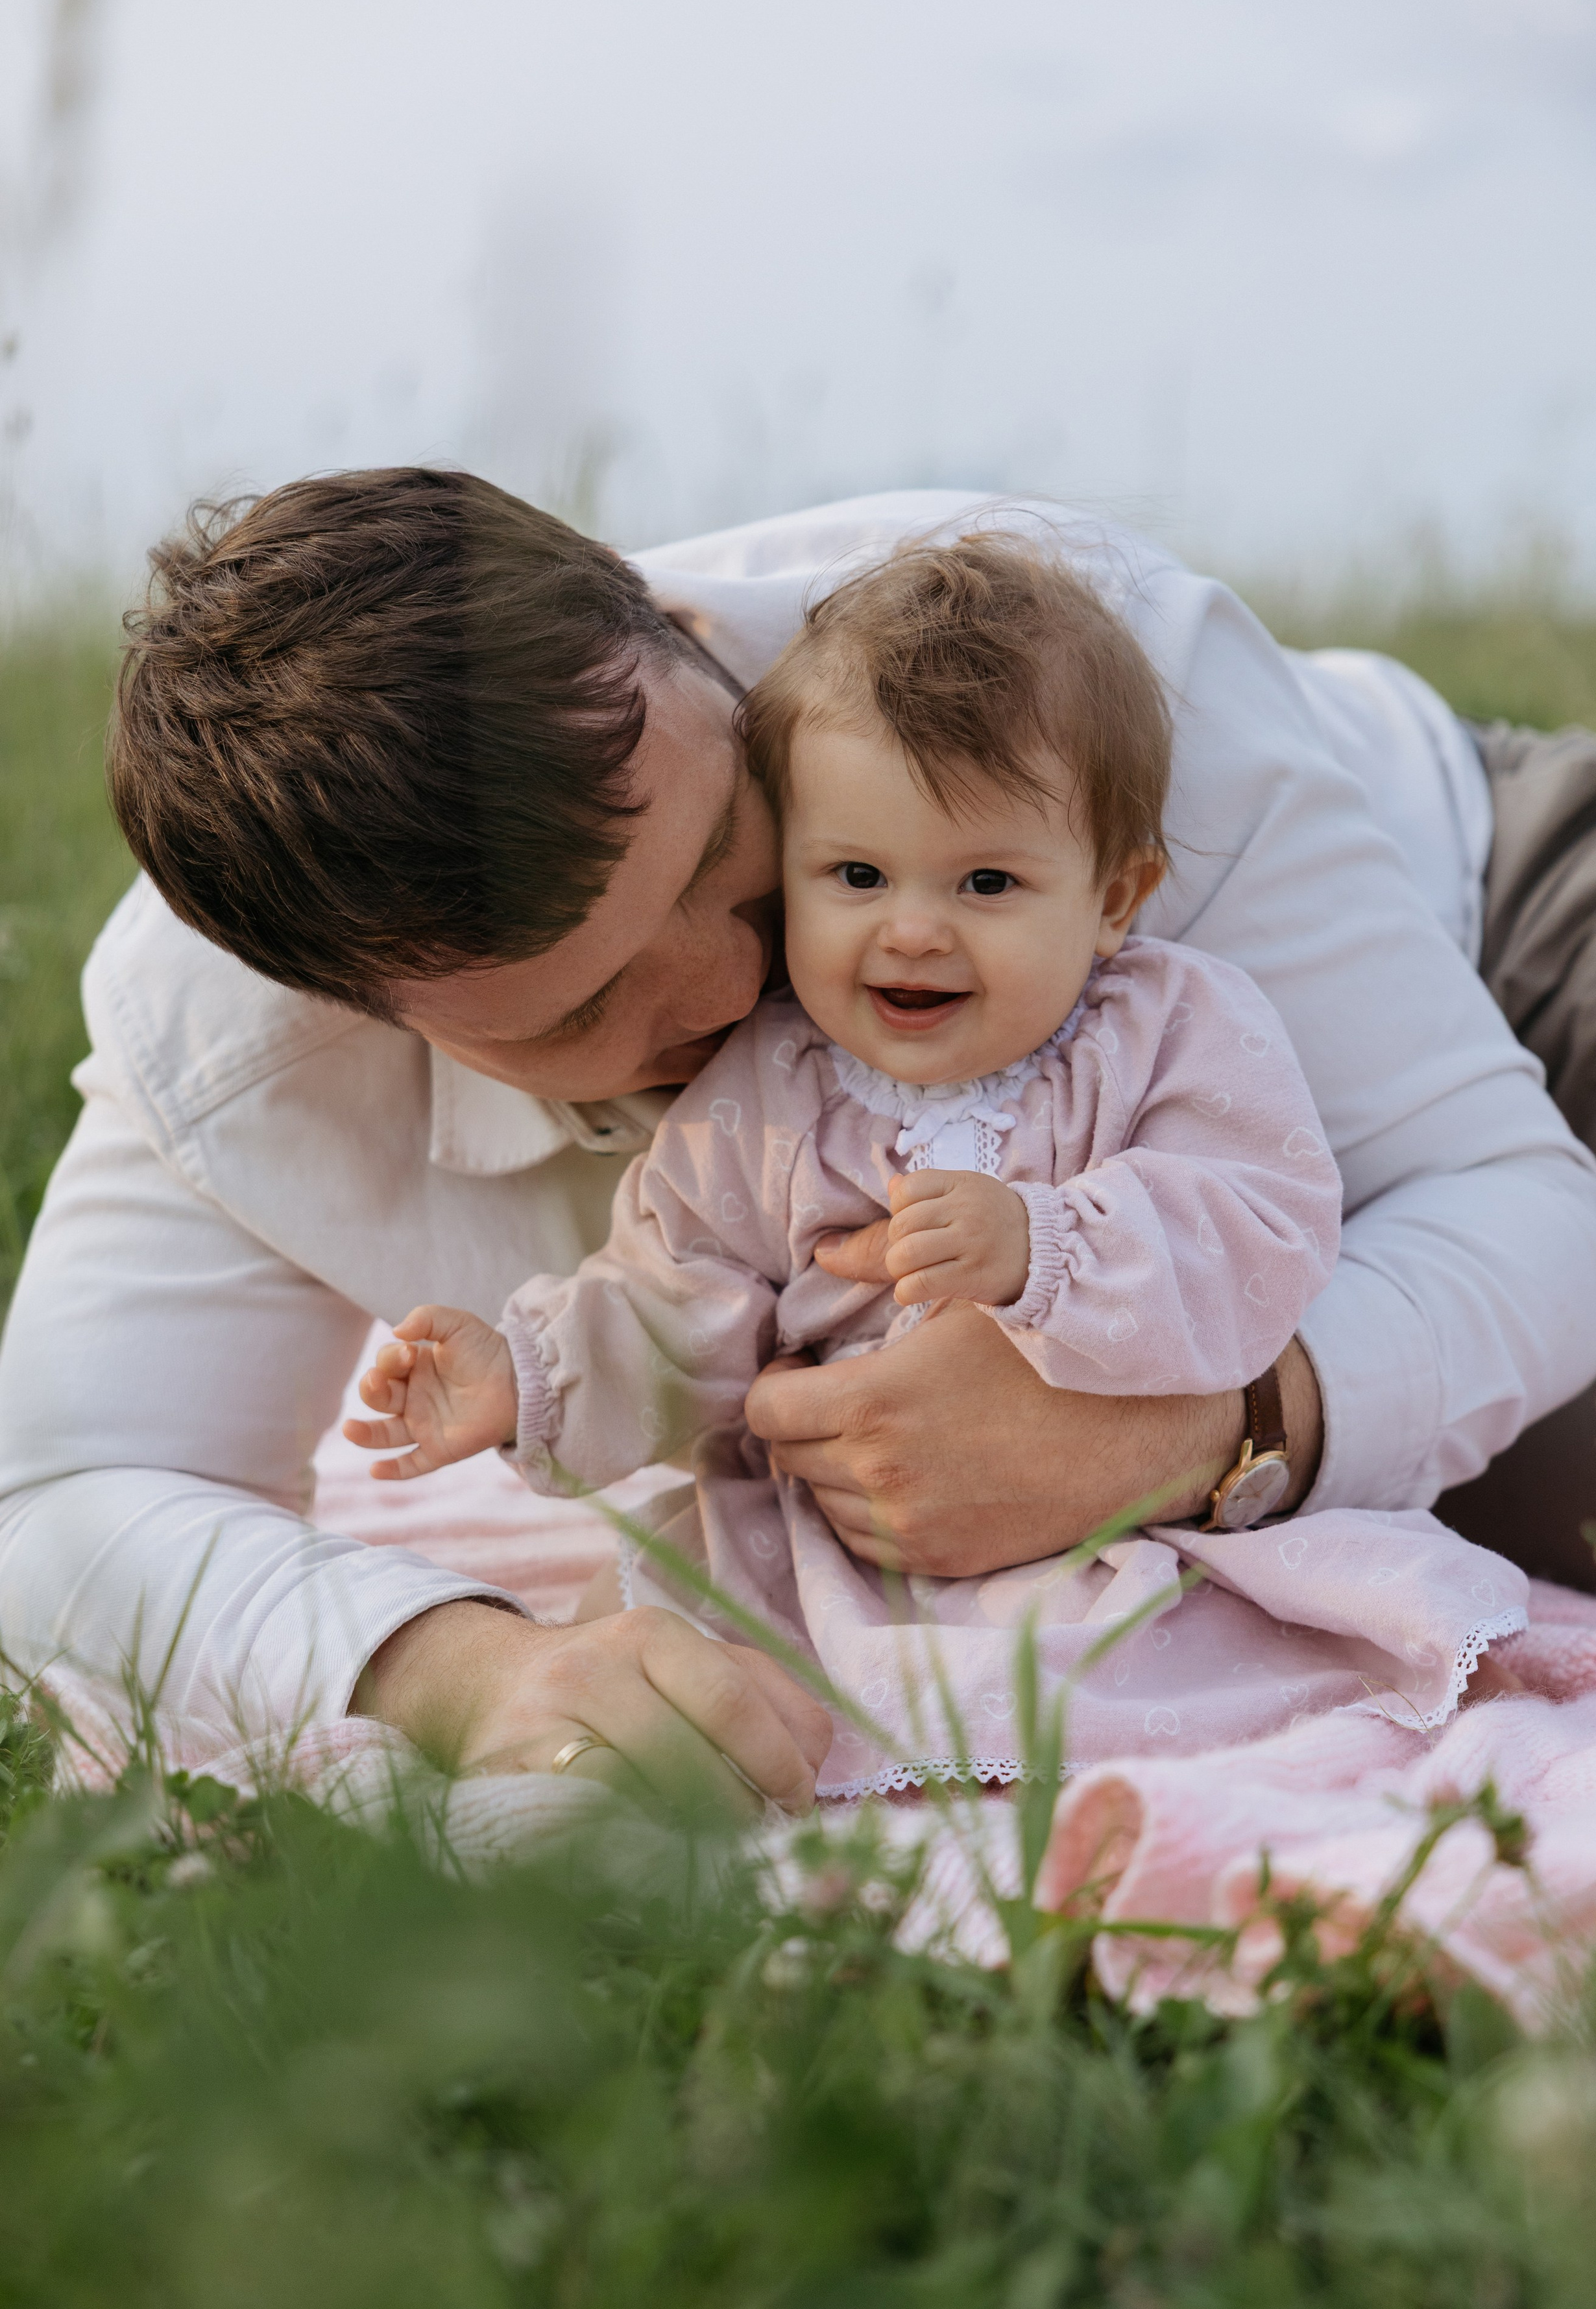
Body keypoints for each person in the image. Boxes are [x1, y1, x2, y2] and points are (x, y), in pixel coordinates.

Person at [0, 471, 1596, 1815]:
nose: (736, 984)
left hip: (1506, 894)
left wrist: (1180, 1438)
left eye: (728, 846)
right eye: (585, 1009)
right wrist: (465, 1667)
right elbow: (68, 1495)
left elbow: (1500, 1201)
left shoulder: (1064, 676)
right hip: (1309, 1266)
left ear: (692, 641)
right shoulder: (227, 1042)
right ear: (371, 1012)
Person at [339, 535, 1393, 1796]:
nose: (912, 928)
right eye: (855, 875)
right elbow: (679, 1293)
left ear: (1115, 897)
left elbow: (1261, 1218)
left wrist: (1048, 1244)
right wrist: (528, 1377)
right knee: (682, 1672)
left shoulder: (1164, 1030)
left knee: (1145, 1683)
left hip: (1116, 1520)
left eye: (986, 881)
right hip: (831, 1547)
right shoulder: (766, 1095)